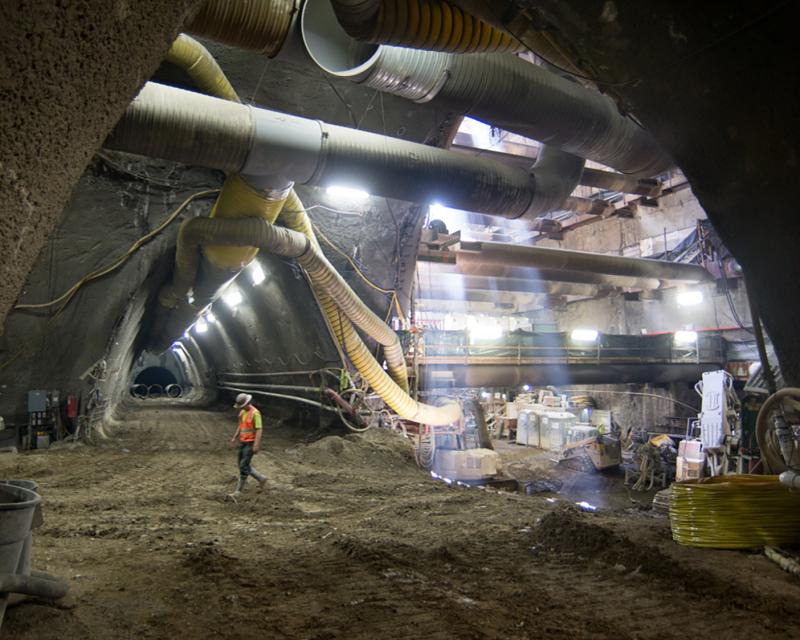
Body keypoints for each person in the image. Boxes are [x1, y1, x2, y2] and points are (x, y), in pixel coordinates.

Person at [227, 393, 267, 501]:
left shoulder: (255, 413)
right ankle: (261, 478)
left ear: (247, 403)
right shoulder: (242, 413)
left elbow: (259, 429)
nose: (241, 408)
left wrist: (256, 445)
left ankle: (238, 491)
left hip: (250, 443)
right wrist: (234, 437)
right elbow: (240, 425)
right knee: (242, 465)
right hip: (243, 442)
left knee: (244, 465)